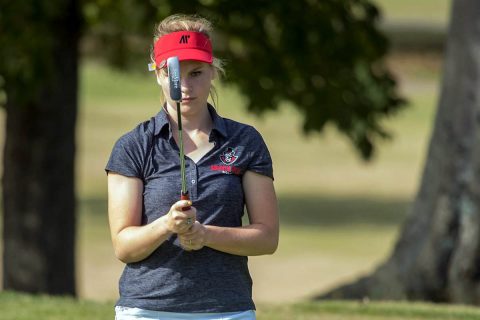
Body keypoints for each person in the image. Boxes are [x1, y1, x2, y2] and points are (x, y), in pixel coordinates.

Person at [106, 14, 279, 320]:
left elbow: (267, 238)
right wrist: (166, 226)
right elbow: (124, 246)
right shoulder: (134, 145)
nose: (185, 87)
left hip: (227, 310)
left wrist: (205, 235)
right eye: (174, 74)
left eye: (197, 73)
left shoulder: (245, 141)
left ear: (213, 72)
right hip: (148, 309)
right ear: (159, 74)